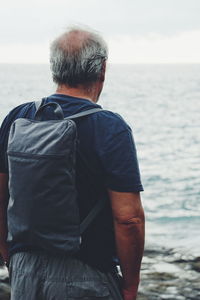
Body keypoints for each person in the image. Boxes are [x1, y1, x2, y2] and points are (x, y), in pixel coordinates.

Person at [0, 27, 145, 300]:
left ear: (54, 68)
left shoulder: (18, 117)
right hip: (86, 274)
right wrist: (130, 285)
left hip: (25, 270)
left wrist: (11, 258)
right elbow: (128, 218)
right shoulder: (109, 127)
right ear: (102, 69)